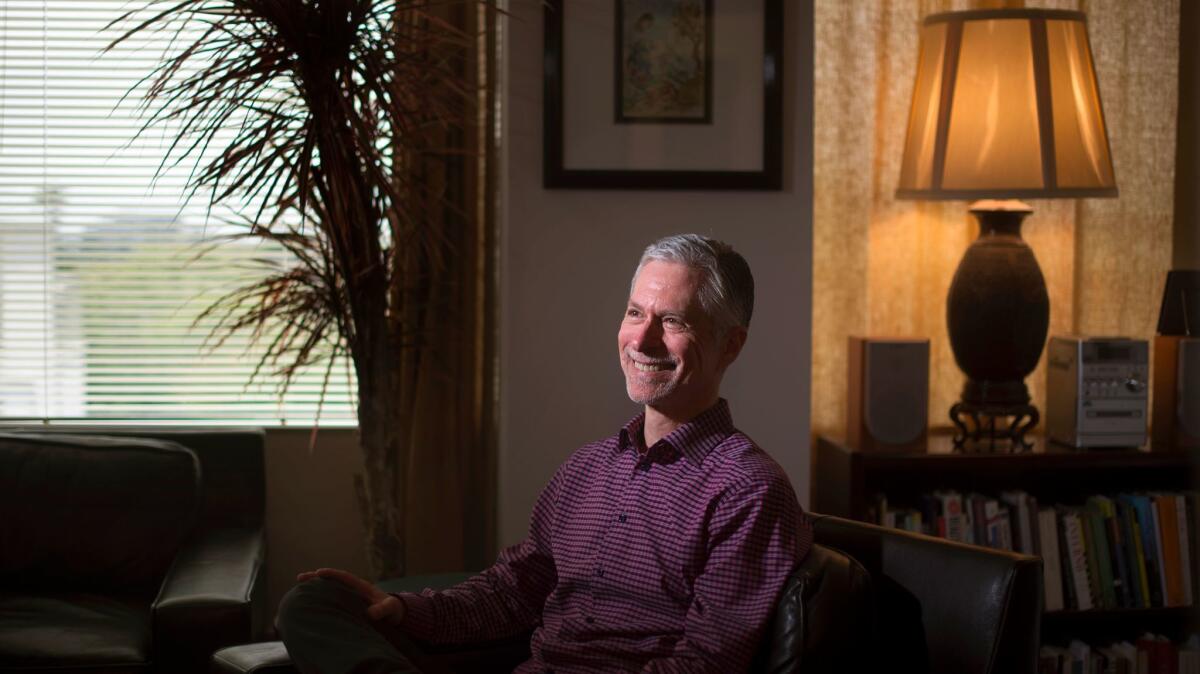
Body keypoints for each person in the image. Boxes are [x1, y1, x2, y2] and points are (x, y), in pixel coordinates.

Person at [278, 234, 812, 673]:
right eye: (634, 313)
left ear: (731, 345)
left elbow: (706, 664)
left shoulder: (747, 491)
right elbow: (512, 594)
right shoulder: (587, 469)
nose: (642, 339)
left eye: (673, 322)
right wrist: (404, 611)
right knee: (316, 602)